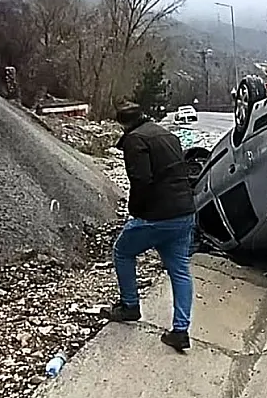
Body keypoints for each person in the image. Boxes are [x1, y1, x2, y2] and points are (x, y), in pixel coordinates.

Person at [101, 103, 197, 352]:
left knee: (122, 251)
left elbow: (141, 180)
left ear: (123, 124)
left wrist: (136, 211)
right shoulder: (168, 135)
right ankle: (180, 331)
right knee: (180, 271)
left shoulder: (135, 140)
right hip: (184, 212)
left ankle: (130, 306)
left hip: (158, 216)